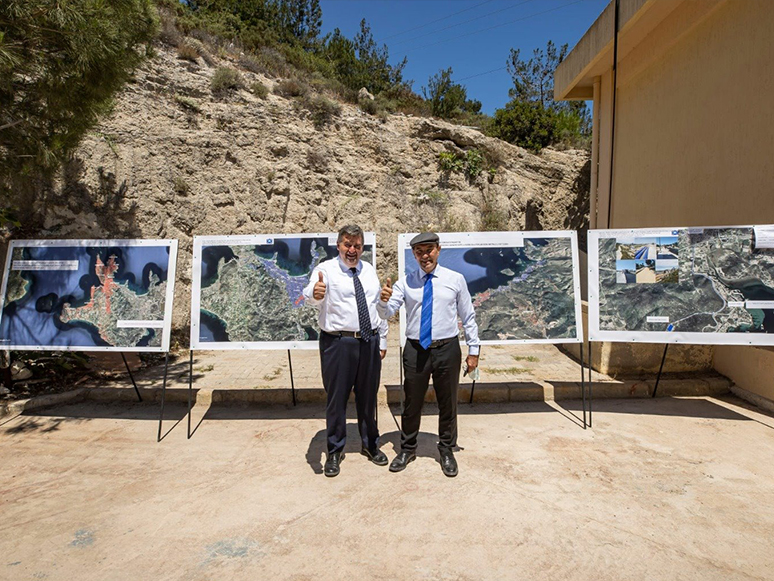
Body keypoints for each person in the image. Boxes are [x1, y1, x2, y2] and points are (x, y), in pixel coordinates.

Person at [377, 232, 479, 477]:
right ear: (414, 255)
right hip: (416, 349)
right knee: (411, 402)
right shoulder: (405, 283)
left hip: (447, 348)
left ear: (438, 250)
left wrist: (473, 350)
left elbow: (468, 316)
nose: (425, 256)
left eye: (429, 250)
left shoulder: (455, 279)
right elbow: (386, 313)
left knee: (448, 401)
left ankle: (446, 449)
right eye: (419, 252)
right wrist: (382, 301)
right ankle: (408, 448)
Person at [302, 225, 388, 477]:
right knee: (337, 399)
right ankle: (334, 450)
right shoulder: (325, 270)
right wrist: (315, 294)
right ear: (338, 245)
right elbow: (311, 293)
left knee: (369, 396)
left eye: (357, 246)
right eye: (347, 244)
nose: (352, 250)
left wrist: (382, 340)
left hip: (369, 342)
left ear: (362, 247)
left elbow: (376, 307)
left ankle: (370, 444)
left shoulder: (369, 269)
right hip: (338, 343)